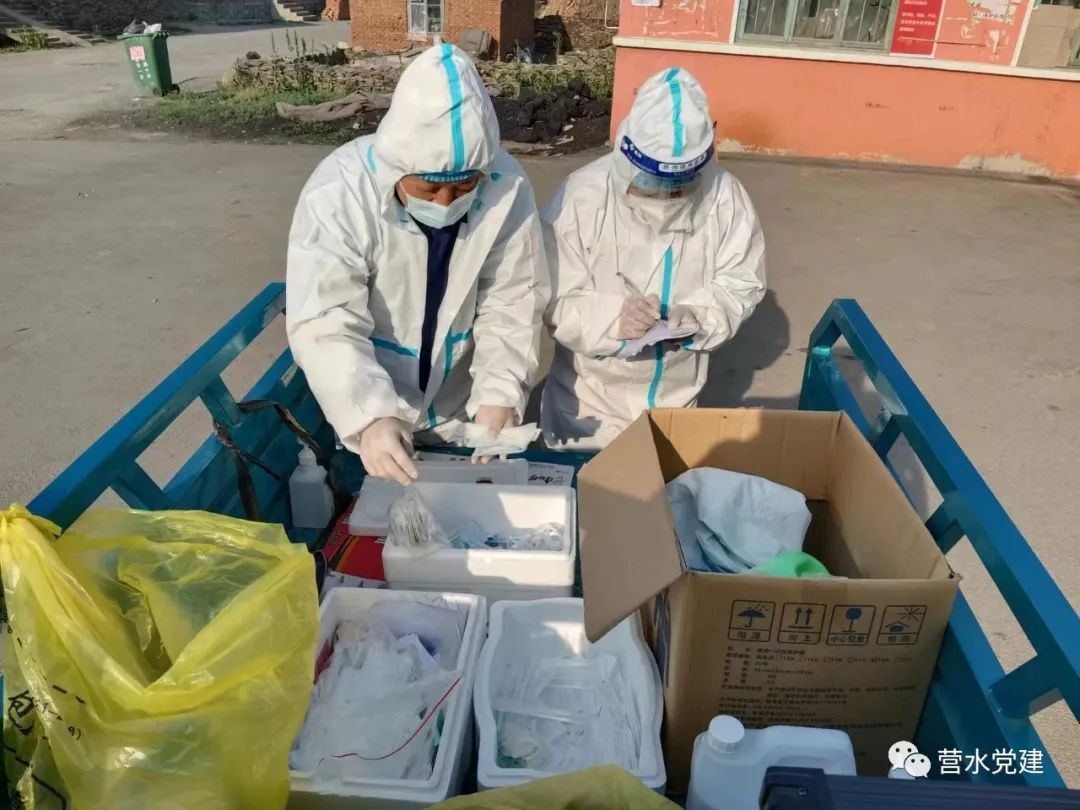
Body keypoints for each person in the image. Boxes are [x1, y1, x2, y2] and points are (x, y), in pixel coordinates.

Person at [286, 44, 549, 485]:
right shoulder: (339, 192)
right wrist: (369, 415)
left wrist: (500, 392)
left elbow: (513, 298)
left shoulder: (505, 185)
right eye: (428, 189)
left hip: (458, 407)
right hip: (374, 399)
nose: (445, 202)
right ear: (396, 169)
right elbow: (326, 316)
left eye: (462, 188)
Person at [540, 68, 766, 450]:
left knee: (665, 482)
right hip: (587, 403)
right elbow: (551, 295)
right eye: (652, 186)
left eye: (679, 189)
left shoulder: (725, 200)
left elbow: (741, 281)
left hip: (676, 401)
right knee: (583, 483)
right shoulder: (582, 197)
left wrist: (701, 316)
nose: (665, 201)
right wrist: (612, 318)